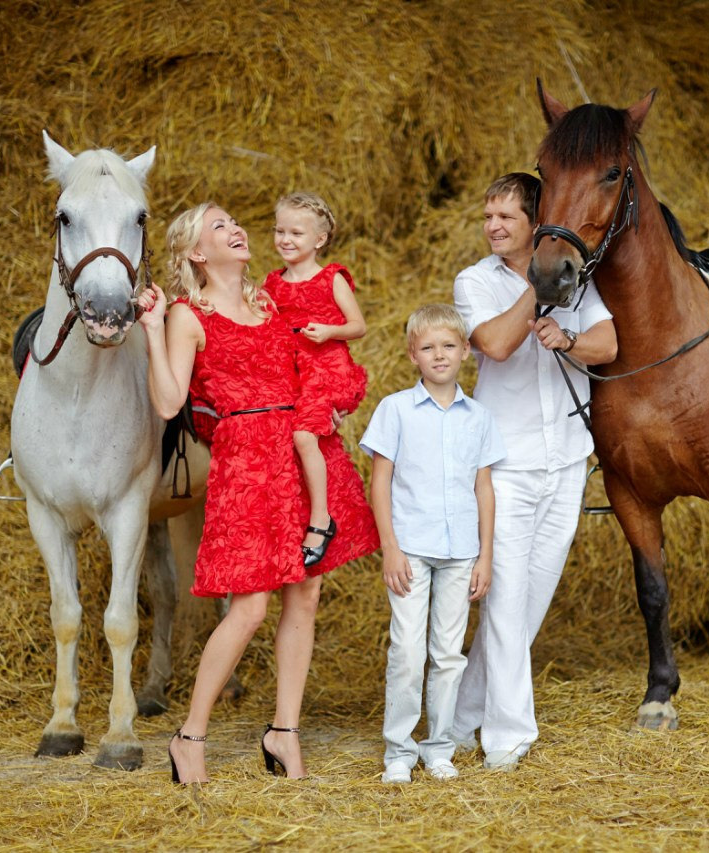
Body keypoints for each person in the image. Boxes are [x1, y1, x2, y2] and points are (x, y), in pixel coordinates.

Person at [137, 201, 365, 783]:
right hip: (246, 460)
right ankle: (190, 737)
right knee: (250, 607)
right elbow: (168, 403)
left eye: (235, 222)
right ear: (195, 252)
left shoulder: (271, 300)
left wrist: (326, 404)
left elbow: (323, 356)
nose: (236, 229)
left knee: (306, 593)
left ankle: (284, 731)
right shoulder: (188, 315)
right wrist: (150, 329)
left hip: (296, 449)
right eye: (219, 226)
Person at [450, 173, 618, 771]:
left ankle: (457, 718)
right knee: (506, 599)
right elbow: (493, 344)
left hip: (568, 457)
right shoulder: (474, 280)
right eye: (488, 216)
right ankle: (507, 739)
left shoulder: (580, 278)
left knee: (527, 606)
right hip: (506, 465)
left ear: (536, 220)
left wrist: (568, 336)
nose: (493, 227)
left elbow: (610, 343)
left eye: (505, 217)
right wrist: (537, 289)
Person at [359, 304, 505, 784]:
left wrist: (485, 555)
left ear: (466, 352)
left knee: (448, 652)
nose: (438, 355)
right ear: (411, 355)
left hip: (462, 551)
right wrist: (391, 548)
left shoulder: (479, 417)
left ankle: (438, 747)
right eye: (427, 347)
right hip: (411, 551)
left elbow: (483, 487)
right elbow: (380, 484)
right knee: (406, 650)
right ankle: (398, 751)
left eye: (448, 345)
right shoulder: (395, 410)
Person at [263, 192, 378, 568]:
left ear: (319, 240)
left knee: (303, 435)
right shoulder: (272, 284)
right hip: (292, 374)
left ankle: (321, 518)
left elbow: (358, 326)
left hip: (327, 370)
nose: (285, 239)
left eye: (296, 232)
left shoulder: (331, 278)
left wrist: (329, 331)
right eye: (280, 230)